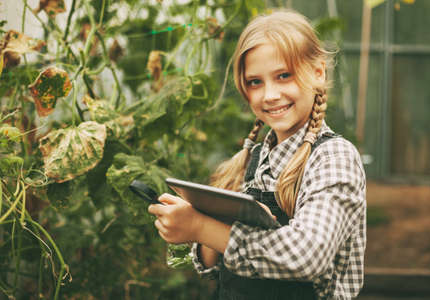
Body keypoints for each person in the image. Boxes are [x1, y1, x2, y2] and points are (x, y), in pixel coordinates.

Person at [148, 9, 366, 300]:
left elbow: (307, 257)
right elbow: (214, 266)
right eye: (256, 82)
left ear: (317, 73)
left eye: (283, 76)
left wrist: (201, 227)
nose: (270, 94)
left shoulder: (333, 158)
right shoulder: (251, 160)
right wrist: (196, 221)